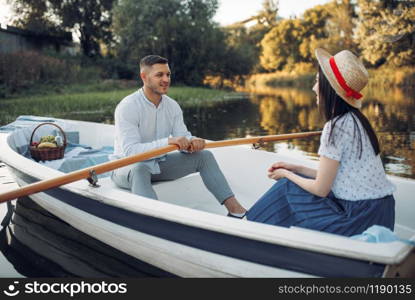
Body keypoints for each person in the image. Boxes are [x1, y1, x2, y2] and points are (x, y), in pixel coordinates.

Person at [246, 48, 396, 236]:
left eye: (317, 81)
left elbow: (320, 189)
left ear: (328, 87)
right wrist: (296, 168)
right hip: (383, 214)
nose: (314, 88)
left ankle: (248, 231)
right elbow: (337, 176)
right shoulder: (358, 120)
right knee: (297, 181)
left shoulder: (334, 128)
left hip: (357, 219)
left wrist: (286, 174)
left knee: (286, 187)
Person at [111, 55, 246, 218]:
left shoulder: (172, 106)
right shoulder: (128, 106)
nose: (166, 79)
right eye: (159, 75)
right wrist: (168, 141)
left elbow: (182, 136)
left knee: (204, 156)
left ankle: (237, 212)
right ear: (144, 77)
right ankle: (154, 221)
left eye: (168, 74)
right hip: (125, 168)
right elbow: (131, 152)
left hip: (158, 164)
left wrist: (192, 142)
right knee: (140, 168)